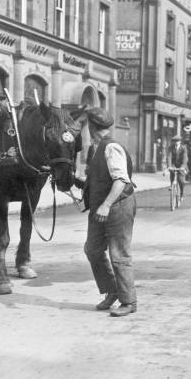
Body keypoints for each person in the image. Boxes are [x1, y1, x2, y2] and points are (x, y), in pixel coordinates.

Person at [77, 107, 137, 317]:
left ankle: (128, 301)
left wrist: (106, 205)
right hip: (102, 206)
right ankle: (112, 291)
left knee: (118, 254)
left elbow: (121, 180)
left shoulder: (111, 148)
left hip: (117, 205)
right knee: (92, 249)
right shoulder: (97, 148)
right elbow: (100, 180)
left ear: (91, 126)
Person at [166, 135, 188, 199]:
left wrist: (183, 166)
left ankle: (181, 194)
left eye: (177, 141)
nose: (176, 142)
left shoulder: (183, 148)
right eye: (174, 141)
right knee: (172, 172)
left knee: (181, 180)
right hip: (174, 164)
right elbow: (169, 157)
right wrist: (169, 166)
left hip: (181, 165)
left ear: (180, 142)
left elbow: (185, 158)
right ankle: (171, 185)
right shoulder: (171, 148)